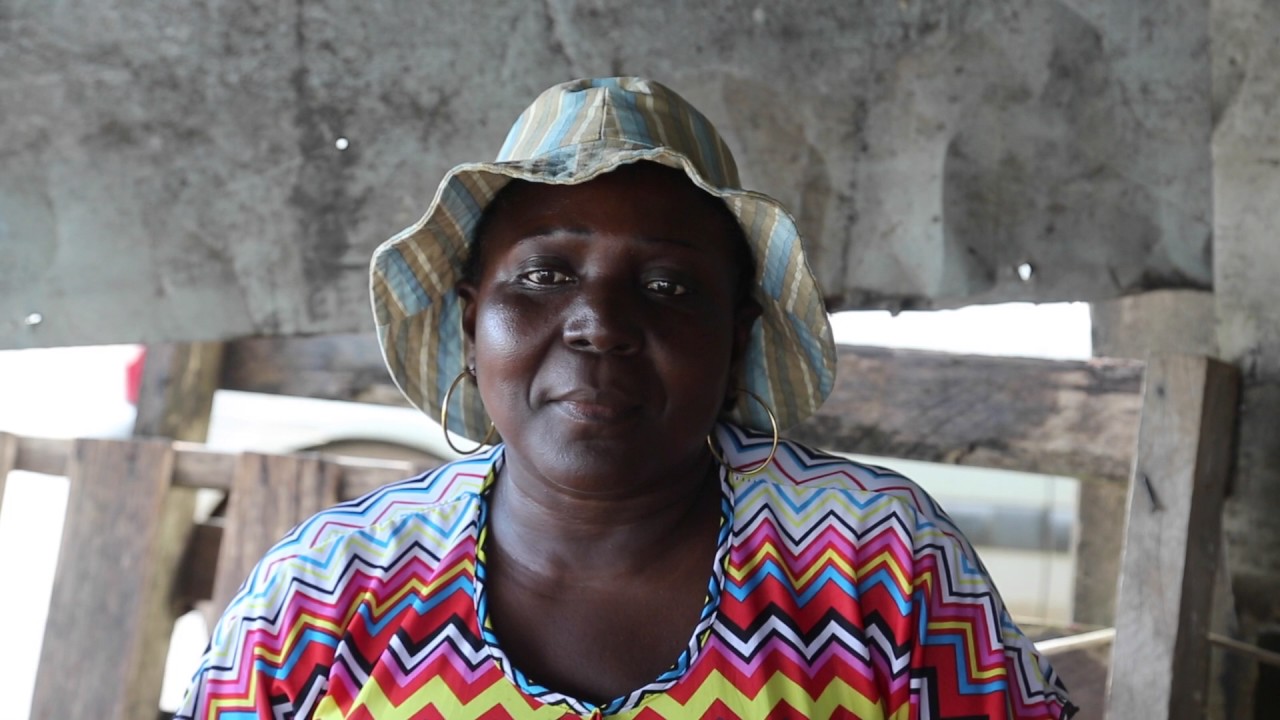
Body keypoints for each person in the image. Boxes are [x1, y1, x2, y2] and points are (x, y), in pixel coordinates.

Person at [177, 77, 1076, 719]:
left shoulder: (874, 564)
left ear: (736, 341)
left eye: (668, 286)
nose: (599, 325)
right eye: (545, 274)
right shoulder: (325, 595)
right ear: (472, 321)